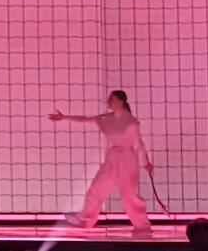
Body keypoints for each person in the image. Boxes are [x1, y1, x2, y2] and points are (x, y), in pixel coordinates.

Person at [49, 90, 154, 231]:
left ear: (120, 101)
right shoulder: (106, 119)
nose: (109, 102)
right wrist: (65, 117)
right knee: (97, 188)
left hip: (127, 159)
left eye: (112, 100)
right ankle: (85, 219)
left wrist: (145, 162)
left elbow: (139, 143)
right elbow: (86, 119)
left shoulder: (131, 122)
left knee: (129, 194)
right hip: (113, 157)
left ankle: (142, 224)